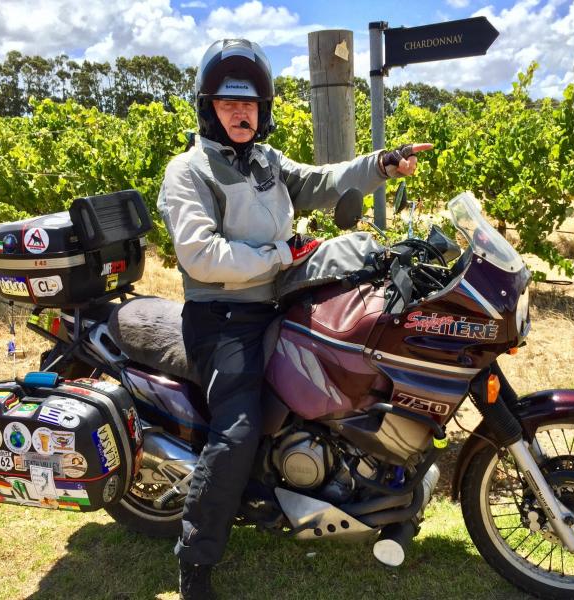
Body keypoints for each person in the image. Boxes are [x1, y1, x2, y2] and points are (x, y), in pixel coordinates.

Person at [157, 38, 431, 600]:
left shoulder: (266, 163)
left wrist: (379, 164)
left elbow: (325, 181)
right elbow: (201, 255)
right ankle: (196, 558)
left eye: (251, 105)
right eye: (229, 104)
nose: (241, 113)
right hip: (223, 317)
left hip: (278, 302)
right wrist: (284, 254)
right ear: (208, 108)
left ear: (264, 111)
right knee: (235, 433)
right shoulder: (188, 172)